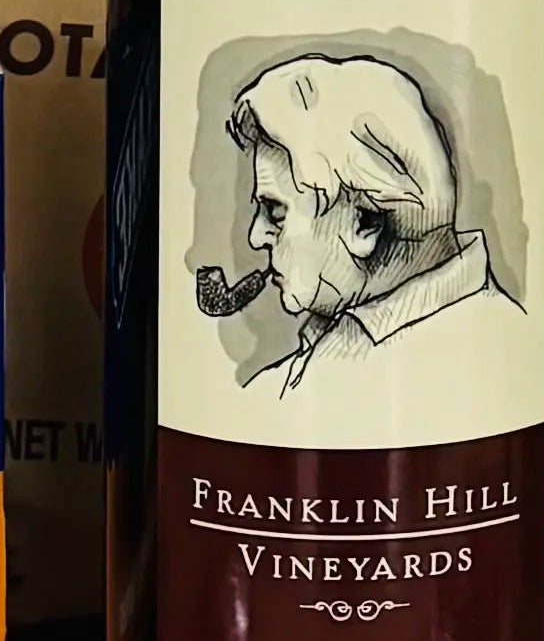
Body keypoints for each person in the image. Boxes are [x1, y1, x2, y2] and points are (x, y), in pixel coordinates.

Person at [217, 55, 521, 397]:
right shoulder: (285, 380)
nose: (256, 237)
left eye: (275, 212)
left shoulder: (492, 358)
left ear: (365, 223)